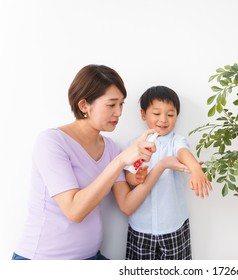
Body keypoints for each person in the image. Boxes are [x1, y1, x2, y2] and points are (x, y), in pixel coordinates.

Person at [12, 65, 188, 260]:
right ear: (84, 106)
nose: (119, 112)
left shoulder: (111, 148)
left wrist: (160, 166)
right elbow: (74, 211)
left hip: (91, 258)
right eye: (112, 105)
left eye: (121, 104)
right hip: (42, 260)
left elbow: (127, 205)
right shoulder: (52, 142)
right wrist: (120, 161)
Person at [118, 85, 212, 260]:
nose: (163, 119)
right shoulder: (135, 144)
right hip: (141, 228)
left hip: (173, 226)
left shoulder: (176, 141)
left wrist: (196, 169)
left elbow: (184, 153)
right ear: (143, 114)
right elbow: (128, 176)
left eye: (170, 114)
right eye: (156, 113)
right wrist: (137, 178)